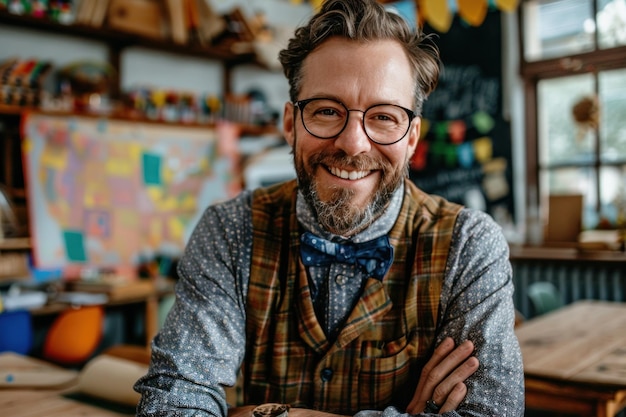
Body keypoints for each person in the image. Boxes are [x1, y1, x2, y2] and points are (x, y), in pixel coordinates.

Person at [134, 0, 525, 416]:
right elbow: (175, 401)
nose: (353, 143)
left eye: (384, 118)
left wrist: (277, 415)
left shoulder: (468, 244)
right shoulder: (230, 230)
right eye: (326, 111)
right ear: (290, 124)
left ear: (411, 137)